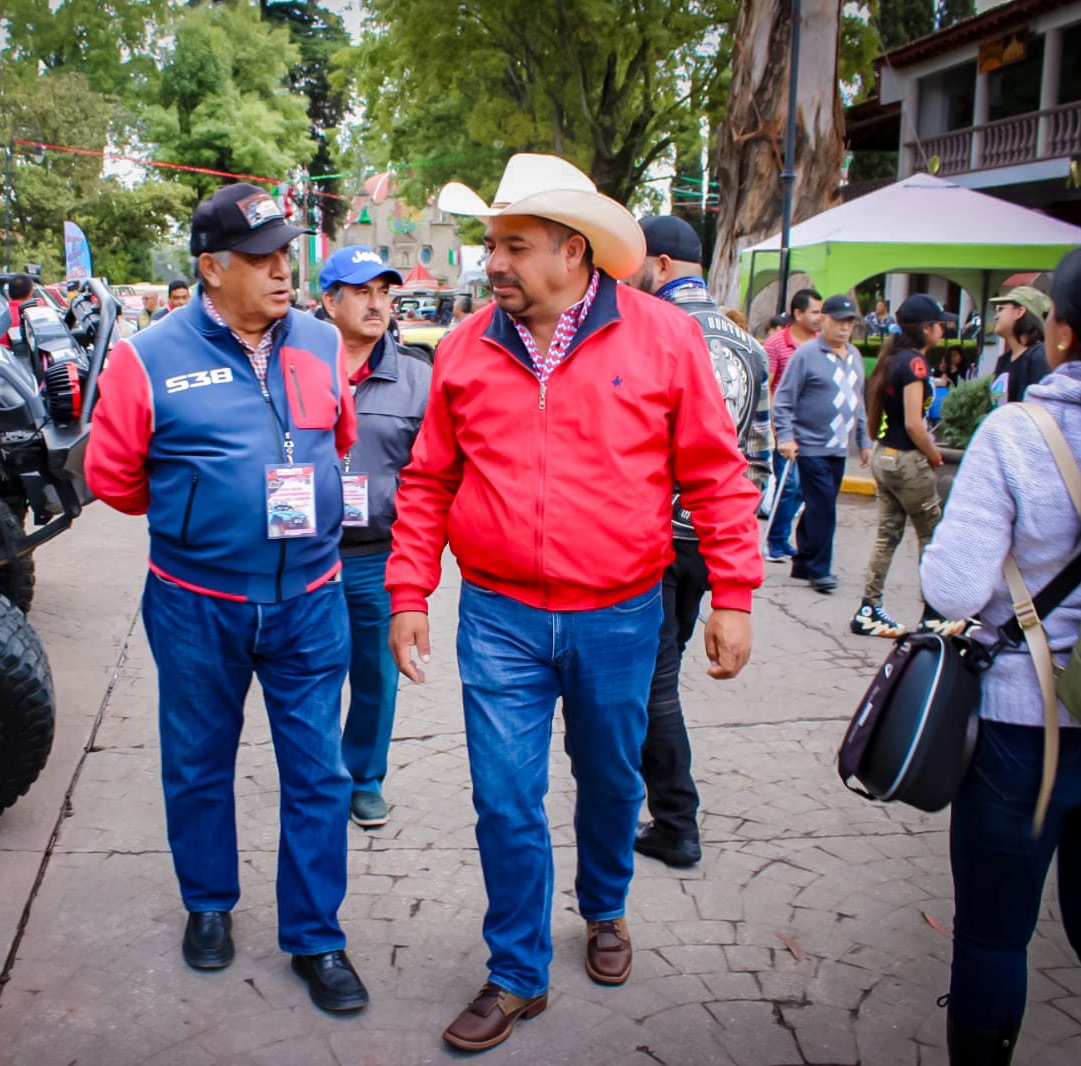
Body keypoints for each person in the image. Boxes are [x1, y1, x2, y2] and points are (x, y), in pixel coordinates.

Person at [385, 154, 761, 1052]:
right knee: (504, 796)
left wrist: (734, 594)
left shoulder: (664, 339)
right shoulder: (467, 346)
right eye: (492, 245)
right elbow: (430, 479)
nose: (494, 263)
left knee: (610, 778)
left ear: (573, 249)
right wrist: (409, 590)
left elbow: (715, 476)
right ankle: (516, 971)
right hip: (500, 615)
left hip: (622, 612)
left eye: (514, 245)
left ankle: (604, 908)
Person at [83, 182, 371, 1015]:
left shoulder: (320, 341)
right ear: (210, 269)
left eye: (286, 255)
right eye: (260, 259)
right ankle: (208, 902)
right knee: (198, 758)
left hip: (310, 597)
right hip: (194, 599)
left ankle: (316, 938)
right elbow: (114, 478)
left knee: (318, 770)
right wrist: (200, 516)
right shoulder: (147, 357)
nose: (283, 271)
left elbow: (338, 438)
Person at [921, 235, 1081, 1064]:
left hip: (1022, 733)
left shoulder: (1017, 431)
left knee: (995, 938)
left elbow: (954, 590)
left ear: (1061, 331)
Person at [628, 215, 770, 871]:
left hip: (652, 537)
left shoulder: (651, 333)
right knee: (660, 674)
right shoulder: (749, 345)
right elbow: (756, 462)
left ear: (656, 265)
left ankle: (674, 820)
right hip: (709, 542)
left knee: (651, 685)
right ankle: (653, 805)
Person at [317, 245, 431, 829]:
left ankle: (364, 777)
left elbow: (431, 474)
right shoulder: (296, 365)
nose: (376, 303)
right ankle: (316, 776)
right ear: (328, 300)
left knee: (376, 677)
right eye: (361, 291)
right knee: (308, 675)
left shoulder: (416, 377)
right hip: (304, 554)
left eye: (384, 292)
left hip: (376, 558)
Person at [852, 293, 968, 638]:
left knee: (887, 536)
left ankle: (869, 609)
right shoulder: (915, 365)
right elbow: (916, 424)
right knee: (932, 536)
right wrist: (933, 455)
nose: (943, 330)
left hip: (885, 455)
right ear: (926, 329)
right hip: (907, 462)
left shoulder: (892, 359)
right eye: (938, 325)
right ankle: (935, 612)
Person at [772, 292, 872, 594]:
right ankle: (820, 569)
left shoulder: (853, 356)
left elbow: (858, 401)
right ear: (824, 321)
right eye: (839, 321)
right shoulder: (807, 354)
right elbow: (784, 398)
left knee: (816, 504)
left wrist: (864, 439)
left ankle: (803, 561)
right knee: (824, 507)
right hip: (810, 445)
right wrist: (786, 436)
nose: (844, 328)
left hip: (838, 446)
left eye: (849, 323)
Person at [764, 289, 823, 564]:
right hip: (785, 430)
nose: (819, 318)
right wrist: (777, 427)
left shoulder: (821, 344)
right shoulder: (776, 344)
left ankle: (782, 536)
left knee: (801, 489)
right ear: (798, 314)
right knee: (788, 484)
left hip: (811, 431)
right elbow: (769, 386)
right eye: (814, 312)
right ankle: (774, 541)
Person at [987, 285, 1052, 405]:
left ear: (1019, 312)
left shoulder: (1039, 358)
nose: (996, 316)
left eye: (1001, 309)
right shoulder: (1004, 359)